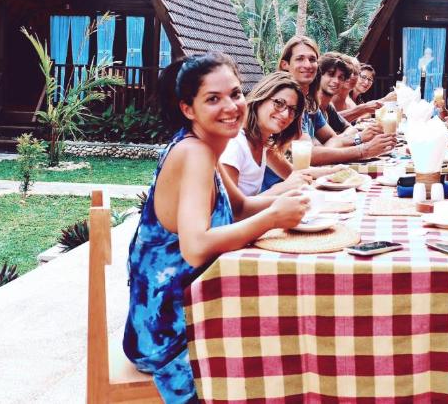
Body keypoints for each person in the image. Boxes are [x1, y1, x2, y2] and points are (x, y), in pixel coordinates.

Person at [124, 53, 310, 403]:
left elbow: (239, 207)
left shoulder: (204, 147)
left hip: (192, 309)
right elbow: (194, 246)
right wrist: (272, 218)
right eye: (213, 99)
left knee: (283, 325)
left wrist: (288, 199)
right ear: (188, 109)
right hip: (168, 332)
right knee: (286, 339)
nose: (231, 106)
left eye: (236, 94)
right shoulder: (194, 152)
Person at [278, 36, 393, 164]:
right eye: (300, 59)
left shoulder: (309, 103)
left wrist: (324, 150)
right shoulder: (283, 103)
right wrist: (363, 149)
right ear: (285, 65)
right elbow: (309, 155)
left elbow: (333, 139)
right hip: (283, 181)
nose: (307, 65)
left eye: (312, 59)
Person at [219, 72, 331, 196]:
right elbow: (230, 211)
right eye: (279, 103)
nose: (285, 114)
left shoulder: (264, 144)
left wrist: (336, 171)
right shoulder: (235, 145)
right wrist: (280, 189)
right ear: (260, 99)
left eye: (292, 109)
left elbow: (294, 173)